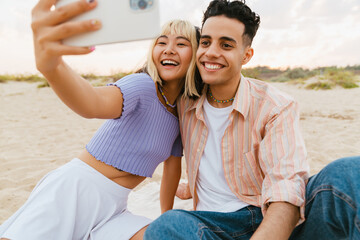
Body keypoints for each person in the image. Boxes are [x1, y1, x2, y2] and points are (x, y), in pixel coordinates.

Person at [144, 0, 360, 239]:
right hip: (212, 226)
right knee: (167, 226)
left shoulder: (275, 106)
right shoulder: (184, 101)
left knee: (350, 172)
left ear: (246, 55)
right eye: (205, 42)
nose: (211, 52)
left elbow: (285, 184)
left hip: (269, 215)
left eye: (226, 45)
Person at [0, 0, 200, 239]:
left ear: (196, 56)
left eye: (181, 44)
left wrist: (165, 215)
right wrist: (52, 67)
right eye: (161, 42)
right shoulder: (141, 86)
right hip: (76, 191)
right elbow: (92, 103)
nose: (168, 49)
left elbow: (172, 169)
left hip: (116, 209)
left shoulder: (181, 114)